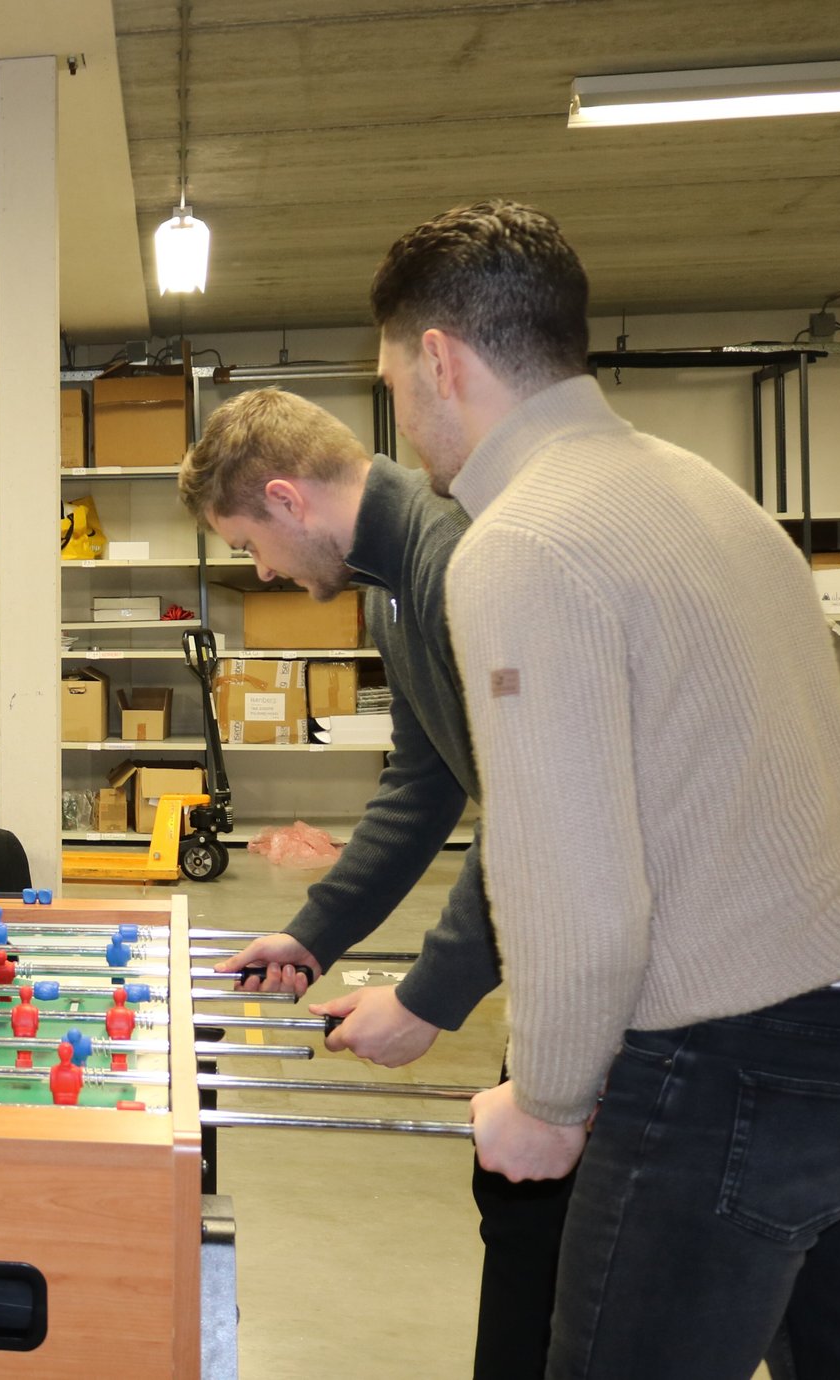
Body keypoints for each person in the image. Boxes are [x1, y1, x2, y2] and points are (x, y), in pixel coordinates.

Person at [372, 199, 840, 1379]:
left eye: (391, 381)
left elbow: (567, 882)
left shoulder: (520, 543)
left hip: (736, 1054)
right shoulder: (704, 491)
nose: (403, 424)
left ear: (436, 359)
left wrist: (548, 1102)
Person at [181, 387, 569, 1376]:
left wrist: (427, 998)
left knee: (558, 1227)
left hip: (643, 963)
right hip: (557, 934)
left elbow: (534, 803)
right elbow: (423, 776)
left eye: (248, 544)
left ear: (285, 498)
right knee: (523, 1213)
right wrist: (313, 933)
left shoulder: (454, 565)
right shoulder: (392, 584)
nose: (259, 570)